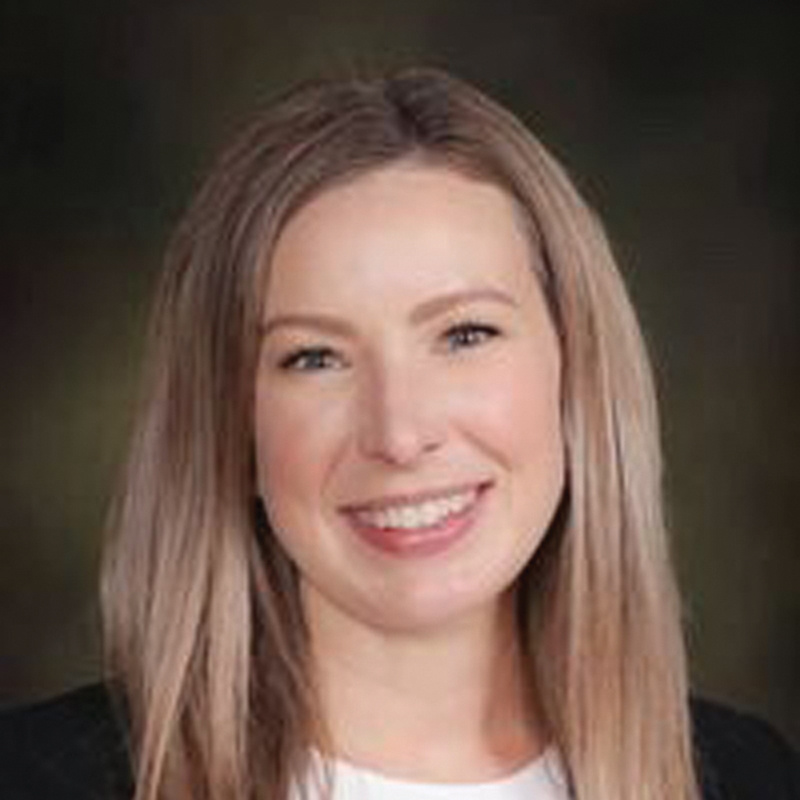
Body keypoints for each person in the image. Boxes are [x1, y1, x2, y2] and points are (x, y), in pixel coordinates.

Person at [0, 67, 797, 800]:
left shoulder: (748, 777)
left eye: (464, 335)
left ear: (576, 374)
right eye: (314, 357)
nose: (400, 433)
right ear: (230, 426)